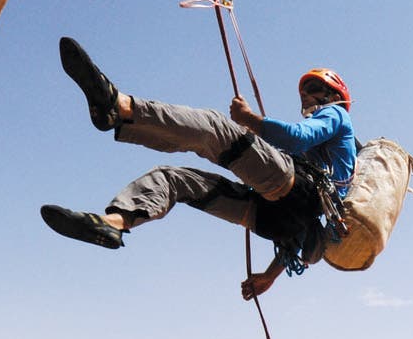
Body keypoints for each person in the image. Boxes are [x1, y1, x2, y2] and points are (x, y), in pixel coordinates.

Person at [39, 37, 356, 299]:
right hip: (276, 217)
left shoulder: (337, 116)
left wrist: (250, 120)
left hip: (296, 193)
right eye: (304, 93)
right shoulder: (327, 162)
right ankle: (115, 222)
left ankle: (119, 108)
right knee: (175, 180)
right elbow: (298, 232)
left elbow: (298, 138)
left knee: (215, 129)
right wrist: (269, 277)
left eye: (313, 91)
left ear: (333, 96)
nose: (306, 98)